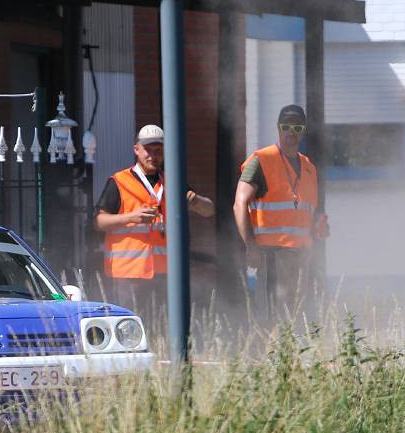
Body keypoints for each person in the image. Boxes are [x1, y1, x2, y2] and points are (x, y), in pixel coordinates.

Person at [94, 124, 215, 323]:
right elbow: (98, 222)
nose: (153, 155)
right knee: (130, 329)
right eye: (147, 149)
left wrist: (195, 201)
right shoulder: (119, 182)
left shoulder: (173, 181)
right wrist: (131, 217)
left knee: (162, 329)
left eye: (158, 150)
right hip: (128, 275)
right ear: (136, 150)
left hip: (165, 275)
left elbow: (209, 210)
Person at [233, 105, 330, 317]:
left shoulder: (309, 168)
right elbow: (239, 204)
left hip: (301, 259)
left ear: (303, 130)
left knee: (294, 321)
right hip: (271, 257)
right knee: (270, 321)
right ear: (278, 129)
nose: (291, 132)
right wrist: (250, 246)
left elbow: (309, 211)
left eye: (297, 127)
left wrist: (319, 224)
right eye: (286, 127)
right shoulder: (262, 160)